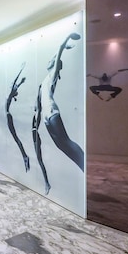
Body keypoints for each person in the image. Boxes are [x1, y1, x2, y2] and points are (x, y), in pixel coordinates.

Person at [34, 33, 85, 182]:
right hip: (46, 117)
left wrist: (67, 38)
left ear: (55, 64)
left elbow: (59, 49)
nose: (50, 60)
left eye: (53, 60)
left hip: (51, 111)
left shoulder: (53, 74)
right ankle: (82, 165)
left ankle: (85, 163)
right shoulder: (45, 79)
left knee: (66, 141)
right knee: (61, 146)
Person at [6, 63, 30, 172]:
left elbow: (15, 82)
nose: (11, 85)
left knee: (16, 139)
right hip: (8, 117)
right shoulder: (11, 94)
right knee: (16, 139)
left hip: (8, 117)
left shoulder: (10, 94)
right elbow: (16, 84)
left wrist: (20, 70)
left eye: (12, 86)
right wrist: (20, 83)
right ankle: (25, 156)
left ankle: (25, 157)